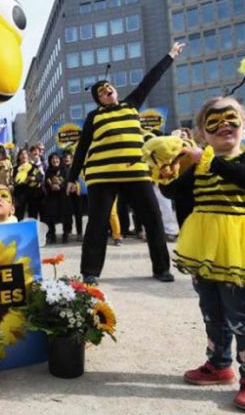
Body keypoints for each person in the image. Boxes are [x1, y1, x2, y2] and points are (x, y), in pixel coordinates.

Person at [160, 97, 245, 412]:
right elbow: (173, 191)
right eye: (214, 122)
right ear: (203, 133)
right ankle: (219, 364)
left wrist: (208, 159)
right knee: (211, 311)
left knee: (242, 316)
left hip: (240, 251)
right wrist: (167, 169)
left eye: (231, 119)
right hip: (204, 249)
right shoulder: (201, 163)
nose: (224, 125)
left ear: (244, 126)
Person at [67, 42, 185, 284]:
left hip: (136, 173)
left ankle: (161, 268)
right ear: (98, 99)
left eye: (109, 87)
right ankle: (89, 272)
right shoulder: (94, 116)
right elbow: (82, 148)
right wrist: (71, 178)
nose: (106, 90)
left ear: (116, 92)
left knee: (153, 219)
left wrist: (170, 55)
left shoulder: (132, 105)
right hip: (102, 176)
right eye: (101, 91)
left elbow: (150, 80)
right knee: (97, 224)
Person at [43, 152, 68, 244]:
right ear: (50, 161)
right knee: (51, 217)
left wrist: (60, 187)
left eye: (57, 158)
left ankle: (65, 235)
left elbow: (67, 182)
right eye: (53, 159)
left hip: (63, 197)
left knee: (65, 217)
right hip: (52, 197)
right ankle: (52, 235)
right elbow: (46, 183)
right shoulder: (48, 171)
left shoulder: (64, 170)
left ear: (60, 160)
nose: (55, 160)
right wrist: (51, 187)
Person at [61, 152, 83, 240]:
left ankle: (79, 233)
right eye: (65, 157)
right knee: (67, 214)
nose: (67, 159)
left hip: (77, 194)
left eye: (68, 157)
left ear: (72, 159)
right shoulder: (61, 169)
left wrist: (76, 185)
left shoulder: (77, 168)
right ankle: (68, 232)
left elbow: (81, 179)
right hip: (66, 194)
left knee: (79, 214)